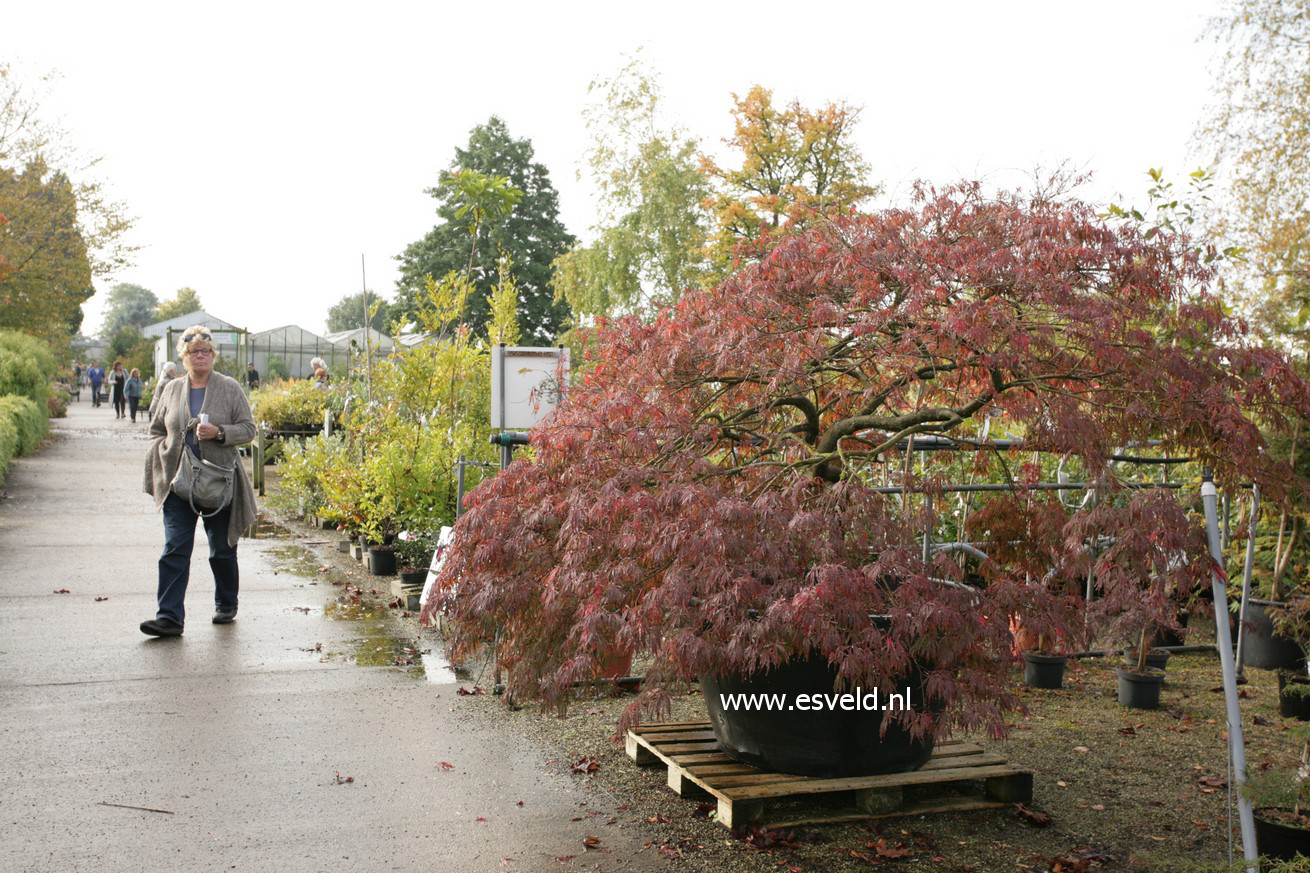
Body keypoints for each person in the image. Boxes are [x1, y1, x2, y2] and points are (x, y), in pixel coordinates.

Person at [140, 325, 257, 637]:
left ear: (213, 355)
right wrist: (161, 454)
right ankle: (169, 618)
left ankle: (226, 602)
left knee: (221, 549)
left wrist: (219, 433)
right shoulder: (171, 390)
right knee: (174, 548)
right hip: (178, 483)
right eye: (194, 352)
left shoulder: (230, 388)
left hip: (218, 482)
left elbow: (248, 428)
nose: (200, 356)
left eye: (205, 351)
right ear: (184, 356)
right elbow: (156, 429)